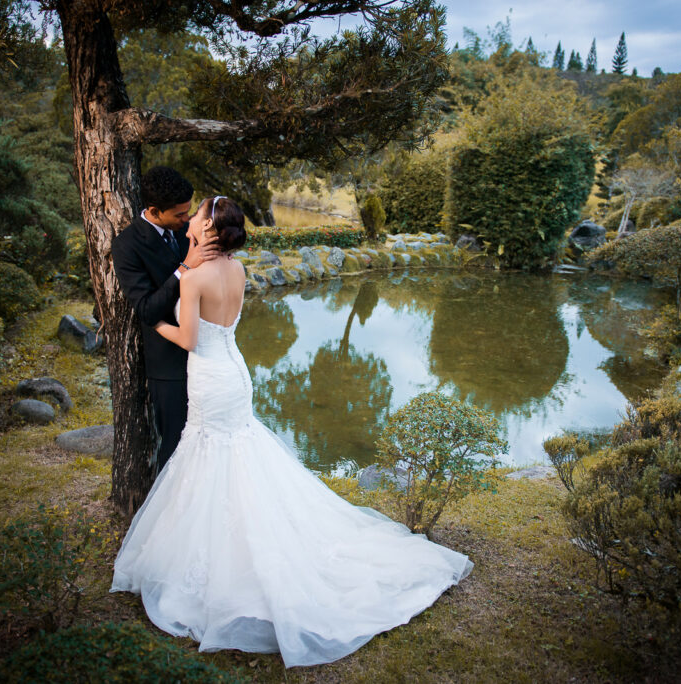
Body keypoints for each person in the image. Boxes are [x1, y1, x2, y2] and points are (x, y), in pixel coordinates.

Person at [110, 196, 473, 668]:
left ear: (210, 229)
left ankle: (223, 562)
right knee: (236, 456)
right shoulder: (237, 269)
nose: (191, 222)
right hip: (235, 374)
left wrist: (155, 320)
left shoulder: (196, 276)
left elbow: (190, 339)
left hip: (210, 377)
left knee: (210, 456)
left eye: (197, 217)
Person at [111, 166, 218, 472]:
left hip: (209, 358)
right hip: (169, 366)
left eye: (189, 212)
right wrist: (184, 267)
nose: (187, 221)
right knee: (175, 447)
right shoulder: (127, 245)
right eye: (179, 215)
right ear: (154, 211)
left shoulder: (191, 233)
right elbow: (146, 309)